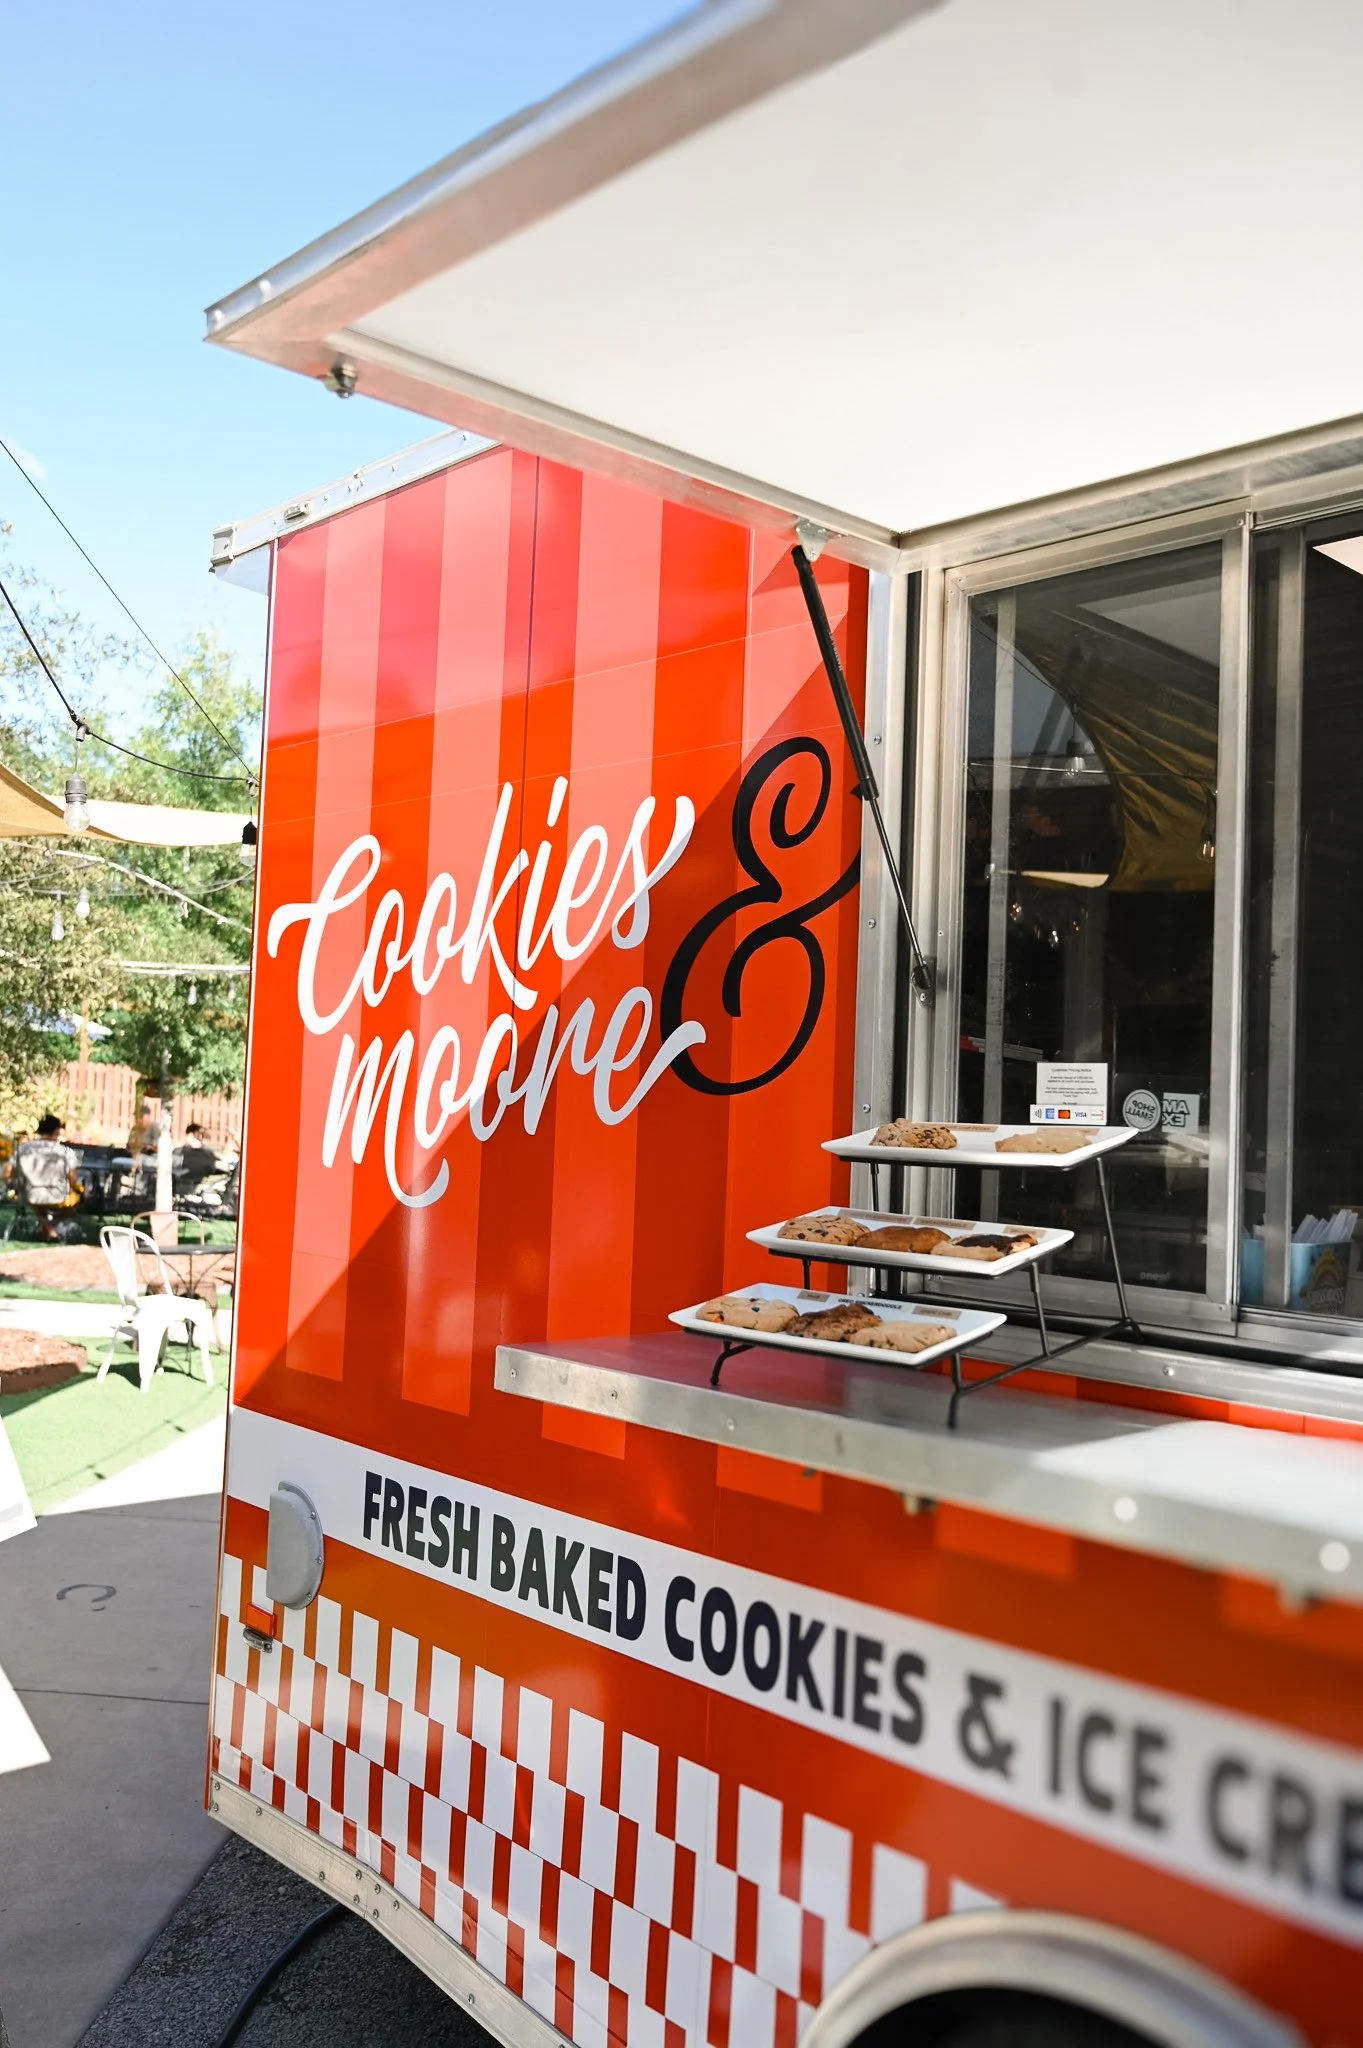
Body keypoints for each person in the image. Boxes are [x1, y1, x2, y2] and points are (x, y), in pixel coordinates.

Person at [12, 1115, 83, 1242]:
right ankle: (51, 1229)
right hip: (58, 1195)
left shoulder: (23, 1149)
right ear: (56, 1131)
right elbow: (72, 1180)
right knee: (77, 1201)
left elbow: (7, 1173)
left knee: (35, 1199)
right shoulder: (66, 1152)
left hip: (30, 1194)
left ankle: (44, 1226)